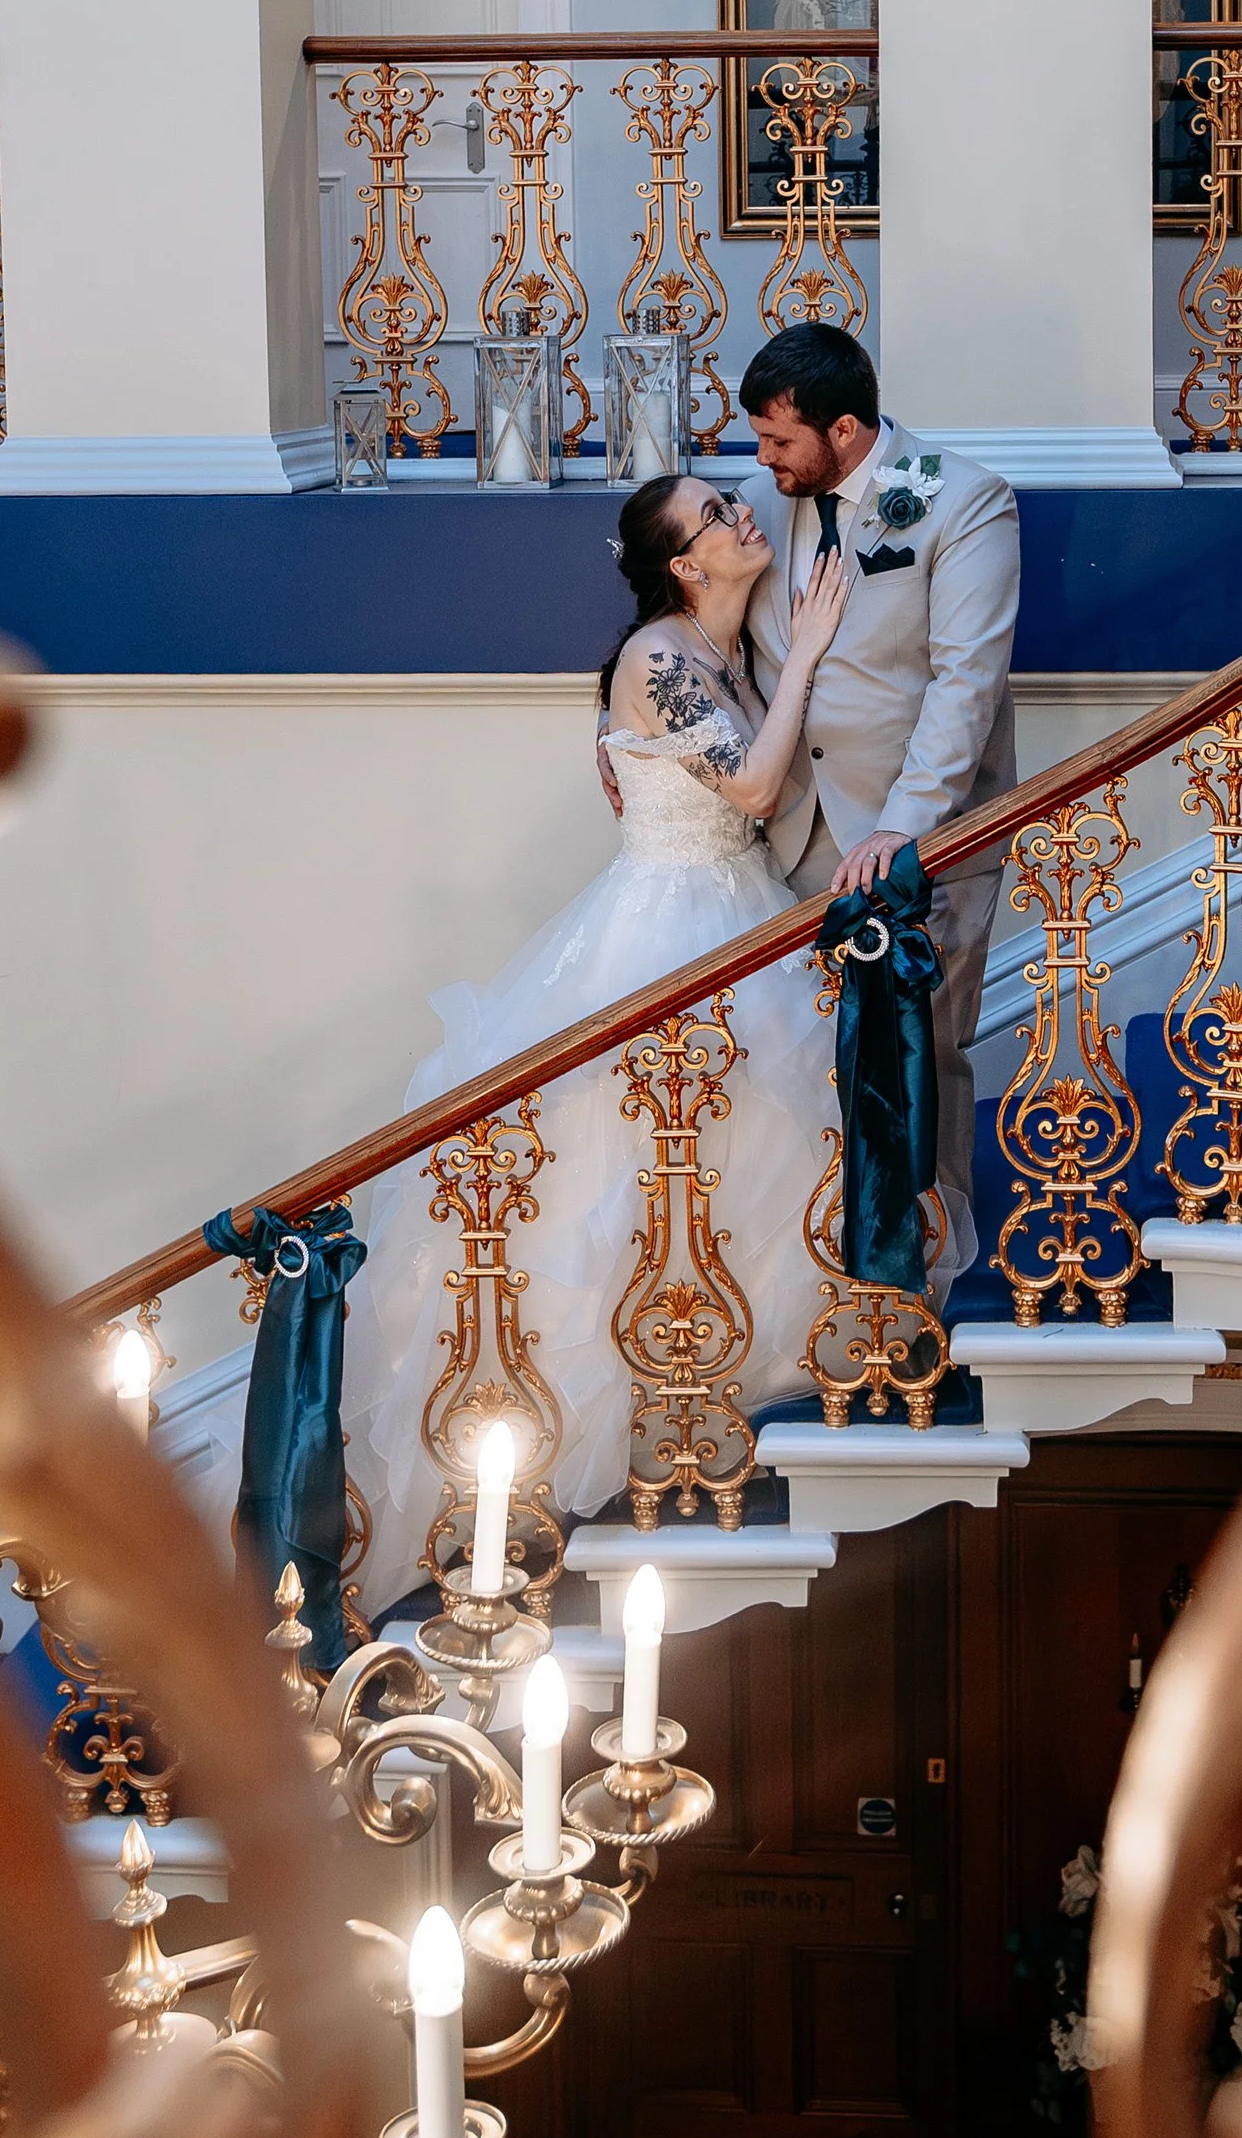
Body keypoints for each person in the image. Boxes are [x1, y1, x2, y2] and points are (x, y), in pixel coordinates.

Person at [347, 470, 850, 1620]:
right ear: (684, 565)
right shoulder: (663, 659)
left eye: (731, 502)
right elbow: (761, 786)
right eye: (717, 516)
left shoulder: (715, 647)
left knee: (724, 1177)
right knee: (609, 1187)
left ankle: (698, 1407)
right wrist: (812, 652)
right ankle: (587, 1446)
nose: (739, 517)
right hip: (666, 926)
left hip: (733, 911)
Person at [736, 322, 1019, 1288]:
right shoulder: (756, 506)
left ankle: (929, 1272)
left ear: (848, 429)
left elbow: (964, 682)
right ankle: (818, 1277)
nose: (761, 461)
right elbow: (700, 638)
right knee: (803, 1069)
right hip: (789, 839)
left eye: (780, 442)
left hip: (921, 847)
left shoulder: (963, 502)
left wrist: (906, 825)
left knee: (920, 1061)